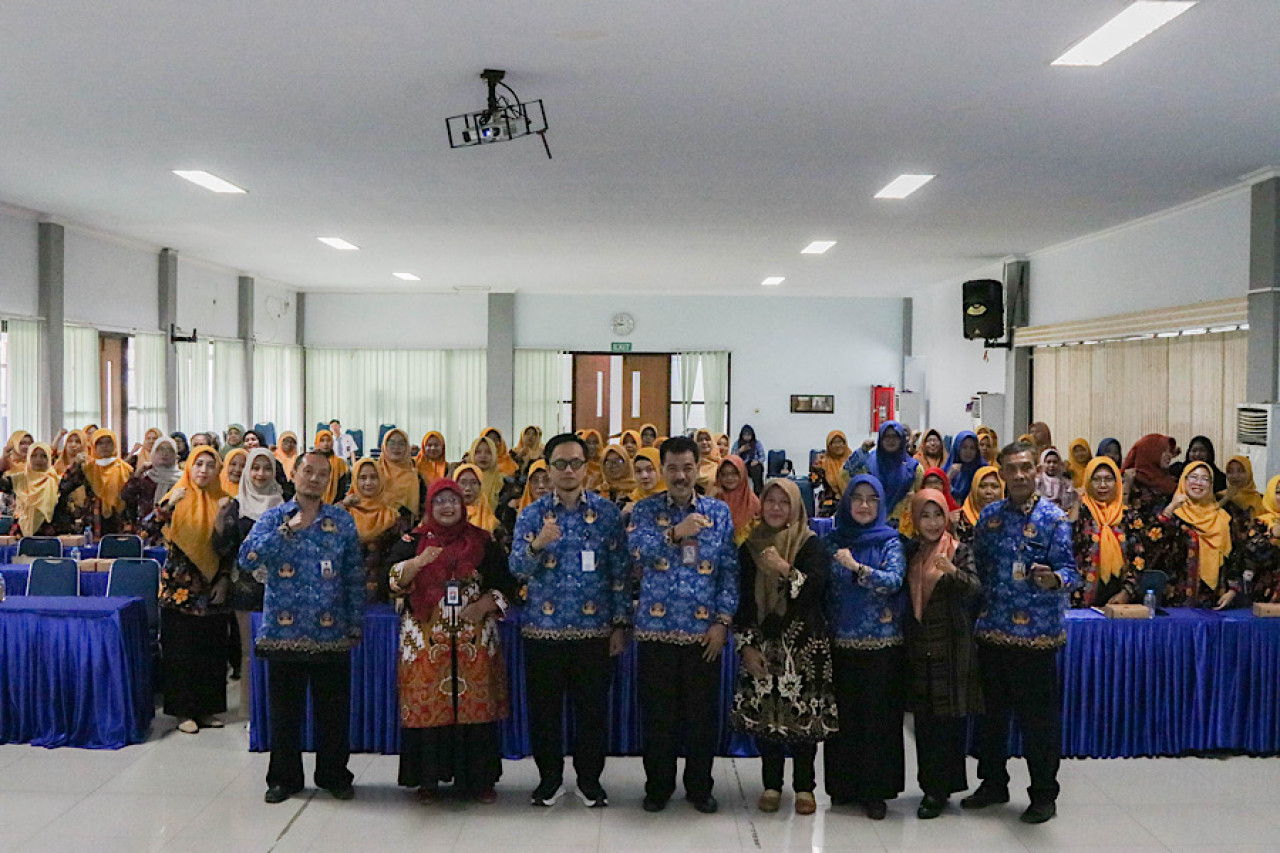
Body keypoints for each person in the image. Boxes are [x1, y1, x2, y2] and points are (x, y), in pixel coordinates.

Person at [510, 433, 630, 807]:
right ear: (547, 469)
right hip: (542, 633)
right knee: (545, 713)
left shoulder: (607, 514)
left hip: (594, 633)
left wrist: (620, 623)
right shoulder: (531, 514)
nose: (568, 470)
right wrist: (536, 544)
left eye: (575, 463)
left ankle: (590, 781)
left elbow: (620, 573)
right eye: (559, 464)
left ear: (586, 468)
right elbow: (516, 569)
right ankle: (548, 780)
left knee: (592, 713)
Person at [237, 451, 364, 802]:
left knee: (333, 714)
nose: (315, 478)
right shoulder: (274, 517)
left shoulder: (341, 521)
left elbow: (354, 575)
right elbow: (246, 559)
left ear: (330, 481)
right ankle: (284, 779)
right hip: (284, 633)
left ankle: (334, 775)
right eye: (308, 471)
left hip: (331, 632)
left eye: (323, 474)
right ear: (293, 474)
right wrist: (283, 532)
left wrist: (355, 622)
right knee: (285, 714)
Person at [964, 441, 1079, 825]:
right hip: (993, 632)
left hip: (1037, 638)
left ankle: (1044, 794)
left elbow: (1072, 573)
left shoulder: (1054, 519)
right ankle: (992, 783)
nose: (1018, 475)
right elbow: (978, 568)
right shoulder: (990, 518)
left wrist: (1053, 581)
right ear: (1001, 474)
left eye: (1025, 468)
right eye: (1010, 469)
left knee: (1038, 722)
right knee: (992, 719)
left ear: (1036, 471)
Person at [388, 478, 519, 803]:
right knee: (428, 707)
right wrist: (418, 563)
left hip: (474, 638)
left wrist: (485, 605)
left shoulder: (483, 541)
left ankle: (479, 780)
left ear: (463, 505)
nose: (447, 508)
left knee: (475, 710)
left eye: (453, 501)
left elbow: (509, 588)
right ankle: (428, 780)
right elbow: (389, 583)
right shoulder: (412, 540)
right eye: (439, 502)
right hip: (425, 640)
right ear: (429, 507)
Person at [628, 434, 739, 814]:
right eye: (672, 468)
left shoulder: (718, 513)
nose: (679, 475)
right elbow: (635, 553)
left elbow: (729, 573)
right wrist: (676, 533)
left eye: (687, 467)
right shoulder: (643, 511)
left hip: (702, 635)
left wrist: (722, 622)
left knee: (701, 718)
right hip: (655, 634)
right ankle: (658, 786)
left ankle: (699, 787)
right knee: (657, 717)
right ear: (662, 470)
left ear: (697, 468)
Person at [732, 478, 837, 817]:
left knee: (803, 721)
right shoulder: (749, 547)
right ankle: (772, 784)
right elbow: (743, 601)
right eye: (770, 501)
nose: (776, 508)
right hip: (763, 643)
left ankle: (805, 786)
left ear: (795, 507)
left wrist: (785, 570)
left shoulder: (810, 545)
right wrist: (746, 646)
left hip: (804, 645)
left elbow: (815, 591)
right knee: (768, 719)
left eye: (784, 502)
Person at [823, 475, 907, 820]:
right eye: (856, 498)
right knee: (844, 719)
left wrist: (857, 568)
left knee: (879, 720)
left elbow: (893, 581)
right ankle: (843, 786)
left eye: (872, 499)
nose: (863, 505)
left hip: (882, 646)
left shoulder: (890, 541)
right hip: (840, 643)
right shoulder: (831, 541)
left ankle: (876, 791)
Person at [903, 489, 982, 819]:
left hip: (951, 646)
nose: (932, 522)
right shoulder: (912, 552)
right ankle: (929, 787)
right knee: (925, 723)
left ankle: (943, 787)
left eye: (938, 515)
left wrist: (952, 571)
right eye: (925, 515)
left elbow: (976, 589)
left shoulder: (959, 550)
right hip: (920, 648)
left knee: (948, 721)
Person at [154, 446, 230, 735]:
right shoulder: (175, 496)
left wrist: (223, 580)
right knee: (180, 650)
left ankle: (206, 708)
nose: (203, 470)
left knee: (210, 649)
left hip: (211, 588)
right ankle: (183, 710)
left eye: (210, 465)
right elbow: (148, 528)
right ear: (189, 466)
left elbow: (230, 547)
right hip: (179, 588)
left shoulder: (224, 501)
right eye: (198, 463)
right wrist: (168, 505)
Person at [215, 447, 284, 712]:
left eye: (267, 468)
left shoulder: (286, 505)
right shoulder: (235, 505)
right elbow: (223, 548)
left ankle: (276, 709)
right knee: (248, 650)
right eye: (255, 468)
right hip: (244, 587)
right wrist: (220, 521)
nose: (261, 474)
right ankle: (250, 709)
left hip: (281, 587)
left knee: (279, 650)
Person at [1139, 461, 1242, 609]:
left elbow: (1235, 555)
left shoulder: (1222, 518)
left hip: (1213, 603)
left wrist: (1232, 590)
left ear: (1211, 485)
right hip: (1174, 602)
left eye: (1205, 479)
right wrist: (1171, 507)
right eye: (1193, 477)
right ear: (1183, 480)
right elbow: (1151, 542)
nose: (1198, 483)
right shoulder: (1172, 513)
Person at [1071, 457, 1142, 608]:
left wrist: (1126, 592)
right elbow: (1066, 542)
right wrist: (1076, 505)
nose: (1102, 485)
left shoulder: (1129, 517)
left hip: (1120, 601)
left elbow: (1138, 558)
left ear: (1117, 483)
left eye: (1108, 479)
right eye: (1096, 479)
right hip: (1082, 599)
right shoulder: (1082, 513)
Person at [343, 457, 410, 603]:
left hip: (383, 593)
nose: (368, 483)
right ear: (355, 480)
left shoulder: (392, 516)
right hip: (347, 593)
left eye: (374, 477)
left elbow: (399, 558)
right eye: (362, 478)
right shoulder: (344, 515)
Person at [847, 421, 920, 529]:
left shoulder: (914, 468)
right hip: (868, 523)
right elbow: (845, 477)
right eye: (887, 437)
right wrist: (861, 452)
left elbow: (921, 500)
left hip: (903, 529)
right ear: (880, 439)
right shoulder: (867, 463)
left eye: (895, 437)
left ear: (902, 439)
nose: (891, 440)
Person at [121, 436, 182, 544]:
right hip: (146, 531)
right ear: (153, 453)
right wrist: (137, 474)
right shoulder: (145, 478)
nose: (165, 453)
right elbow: (126, 496)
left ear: (176, 455)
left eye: (169, 450)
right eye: (160, 450)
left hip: (174, 533)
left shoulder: (182, 480)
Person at [1235, 474, 1280, 604]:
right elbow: (1250, 555)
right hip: (1265, 594)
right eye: (1278, 493)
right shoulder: (1260, 523)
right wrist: (1272, 535)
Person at [3, 442, 60, 536]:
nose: (38, 460)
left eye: (44, 456)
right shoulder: (18, 479)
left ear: (49, 459)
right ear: (28, 458)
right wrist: (4, 459)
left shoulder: (56, 482)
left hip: (49, 535)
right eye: (34, 456)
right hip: (20, 534)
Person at [84, 429, 134, 536]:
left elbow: (131, 499)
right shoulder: (87, 469)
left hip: (119, 519)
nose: (104, 446)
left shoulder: (125, 469)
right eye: (100, 443)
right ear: (94, 446)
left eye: (108, 442)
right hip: (93, 520)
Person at [1122, 433, 1179, 519]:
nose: (1169, 456)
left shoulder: (1171, 481)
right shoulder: (1132, 480)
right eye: (1164, 451)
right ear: (1151, 452)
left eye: (1170, 451)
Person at [376, 428, 424, 521]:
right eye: (392, 443)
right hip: (377, 524)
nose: (396, 447)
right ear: (384, 446)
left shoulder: (416, 475)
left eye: (401, 444)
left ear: (407, 447)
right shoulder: (374, 473)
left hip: (407, 527)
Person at [898, 467, 960, 538]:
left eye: (937, 482)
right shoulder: (916, 507)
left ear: (944, 485)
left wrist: (953, 527)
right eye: (929, 482)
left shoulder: (954, 509)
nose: (933, 486)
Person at [712, 455, 760, 545]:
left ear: (742, 474)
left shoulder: (752, 501)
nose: (729, 478)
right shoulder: (715, 497)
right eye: (724, 474)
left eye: (734, 474)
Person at [957, 465, 1002, 545]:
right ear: (974, 489)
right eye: (982, 486)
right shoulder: (959, 520)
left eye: (994, 486)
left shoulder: (1009, 518)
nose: (988, 491)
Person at [454, 462, 501, 535]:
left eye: (473, 483)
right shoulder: (447, 516)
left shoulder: (492, 523)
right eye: (463, 483)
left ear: (480, 487)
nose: (468, 488)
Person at [1219, 455, 1264, 528]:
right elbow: (1208, 518)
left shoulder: (1259, 499)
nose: (1235, 476)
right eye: (1230, 471)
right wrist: (1226, 499)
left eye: (1240, 471)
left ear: (1249, 473)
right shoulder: (1219, 496)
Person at [1035, 449, 1079, 516]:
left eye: (1055, 462)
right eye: (1048, 462)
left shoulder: (1066, 483)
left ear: (1060, 464)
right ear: (1042, 463)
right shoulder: (1037, 482)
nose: (1051, 465)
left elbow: (1069, 504)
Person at [313, 429, 351, 503]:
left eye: (328, 440)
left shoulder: (340, 462)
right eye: (322, 441)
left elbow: (342, 487)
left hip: (334, 504)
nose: (326, 444)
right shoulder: (311, 461)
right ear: (317, 442)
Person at [945, 431, 983, 505]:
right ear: (957, 448)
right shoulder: (947, 468)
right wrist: (949, 477)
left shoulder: (982, 469)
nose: (968, 452)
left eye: (972, 448)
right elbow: (939, 495)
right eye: (964, 447)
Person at [732, 424, 766, 493]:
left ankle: (758, 492)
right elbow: (732, 456)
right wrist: (740, 451)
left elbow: (762, 457)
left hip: (754, 464)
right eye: (745, 435)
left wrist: (757, 461)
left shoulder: (757, 443)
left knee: (757, 469)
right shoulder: (737, 443)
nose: (747, 437)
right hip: (742, 465)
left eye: (749, 435)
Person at [821, 431, 853, 498]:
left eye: (840, 442)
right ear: (829, 445)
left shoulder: (852, 459)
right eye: (834, 443)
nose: (838, 445)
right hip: (832, 498)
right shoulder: (823, 462)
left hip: (853, 496)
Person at [693, 428, 721, 493]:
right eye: (700, 440)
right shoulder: (691, 464)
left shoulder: (720, 465)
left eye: (707, 439)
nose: (704, 442)